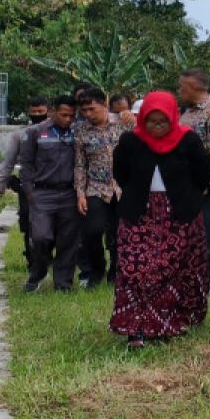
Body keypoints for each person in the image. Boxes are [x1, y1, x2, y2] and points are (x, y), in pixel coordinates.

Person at [110, 91, 210, 349]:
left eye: (162, 121)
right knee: (136, 268)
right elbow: (121, 173)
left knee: (174, 270)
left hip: (179, 214)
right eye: (151, 121)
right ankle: (136, 328)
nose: (156, 127)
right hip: (139, 213)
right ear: (142, 119)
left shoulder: (188, 141)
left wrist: (183, 198)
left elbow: (203, 175)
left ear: (173, 118)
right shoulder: (131, 141)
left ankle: (168, 324)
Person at [18, 96, 82, 292]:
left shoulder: (78, 132)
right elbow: (26, 165)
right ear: (53, 112)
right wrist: (30, 193)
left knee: (68, 240)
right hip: (42, 194)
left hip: (70, 193)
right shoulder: (35, 133)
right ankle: (39, 271)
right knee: (41, 237)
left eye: (72, 116)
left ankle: (63, 284)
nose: (68, 119)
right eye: (64, 115)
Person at [178, 69, 210, 293]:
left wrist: (201, 184)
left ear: (195, 88)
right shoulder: (185, 111)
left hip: (203, 189)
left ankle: (209, 284)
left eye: (182, 88)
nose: (179, 92)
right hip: (182, 186)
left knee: (205, 237)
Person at [74, 87, 131, 287]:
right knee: (92, 231)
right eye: (84, 111)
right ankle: (97, 271)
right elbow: (80, 164)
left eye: (92, 109)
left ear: (104, 104)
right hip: (96, 188)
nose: (88, 114)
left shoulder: (124, 124)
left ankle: (115, 273)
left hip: (122, 188)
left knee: (118, 233)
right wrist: (80, 193)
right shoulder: (81, 130)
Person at [0, 97, 49, 265]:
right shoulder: (19, 135)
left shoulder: (57, 131)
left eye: (41, 112)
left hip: (53, 185)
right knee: (28, 223)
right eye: (34, 112)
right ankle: (33, 260)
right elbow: (8, 162)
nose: (37, 115)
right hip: (28, 187)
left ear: (49, 112)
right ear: (28, 113)